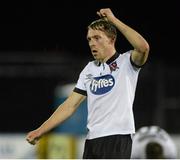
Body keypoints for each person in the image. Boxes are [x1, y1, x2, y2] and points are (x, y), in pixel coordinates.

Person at [26, 8, 150, 159]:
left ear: (111, 39)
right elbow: (69, 105)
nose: (92, 43)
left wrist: (114, 20)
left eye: (97, 38)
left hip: (117, 137)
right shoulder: (89, 69)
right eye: (89, 39)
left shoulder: (127, 62)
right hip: (92, 139)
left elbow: (143, 47)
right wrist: (41, 130)